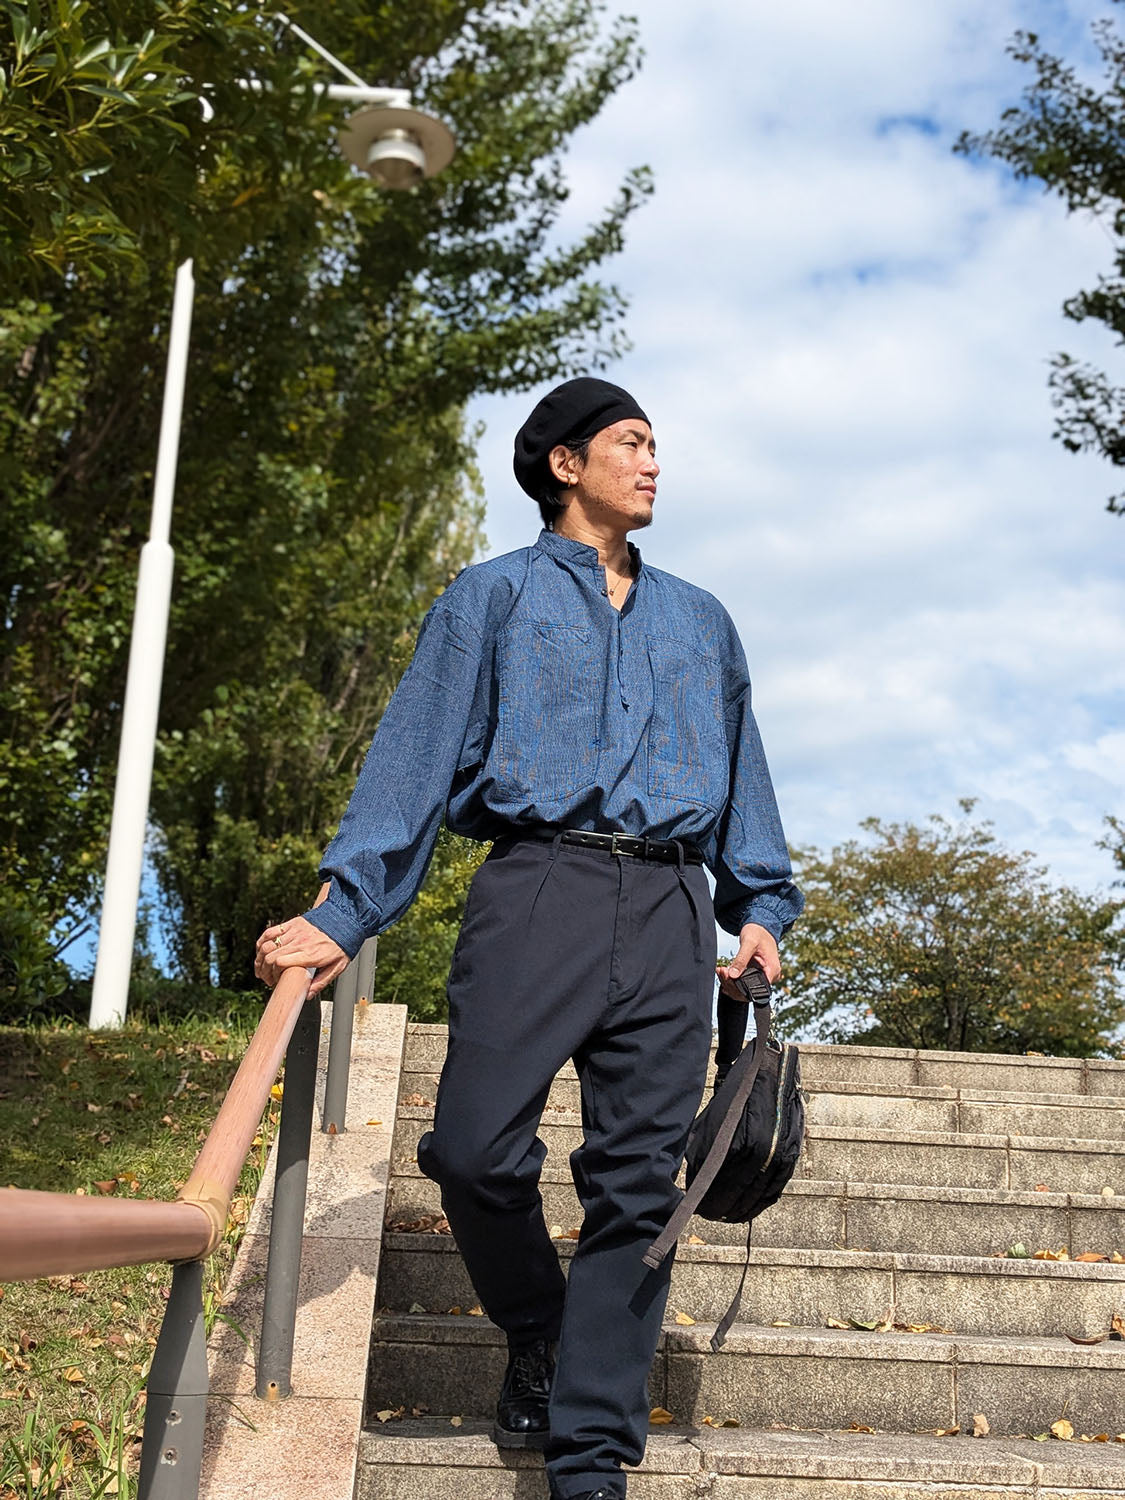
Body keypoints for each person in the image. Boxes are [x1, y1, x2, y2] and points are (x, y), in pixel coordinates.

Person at [255, 376, 803, 1500]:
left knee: (639, 1187)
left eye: (658, 446)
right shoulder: (490, 599)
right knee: (467, 1147)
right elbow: (413, 755)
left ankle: (589, 1455)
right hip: (534, 887)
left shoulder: (702, 619)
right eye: (632, 443)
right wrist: (342, 910)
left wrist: (757, 907)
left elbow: (746, 770)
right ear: (565, 463)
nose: (654, 463)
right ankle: (538, 1324)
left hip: (669, 913)